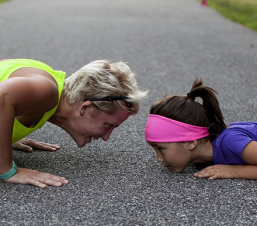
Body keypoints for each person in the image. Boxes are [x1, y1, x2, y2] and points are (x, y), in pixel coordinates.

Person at [0, 58, 147, 188]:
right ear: (85, 108)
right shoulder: (47, 90)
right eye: (109, 125)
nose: (106, 137)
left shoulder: (46, 85)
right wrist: (7, 169)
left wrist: (5, 138)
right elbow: (2, 96)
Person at [145, 77, 257, 180]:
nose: (158, 159)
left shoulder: (231, 141)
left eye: (160, 149)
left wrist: (234, 171)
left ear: (191, 142)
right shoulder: (199, 153)